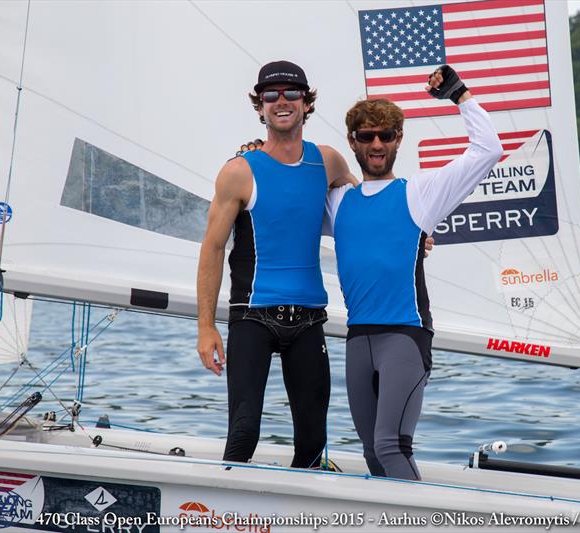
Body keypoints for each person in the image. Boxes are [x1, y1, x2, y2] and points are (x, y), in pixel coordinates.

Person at [324, 66, 503, 480]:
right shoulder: (337, 203)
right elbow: (285, 195)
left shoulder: (420, 193)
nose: (377, 143)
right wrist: (257, 153)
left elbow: (488, 150)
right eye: (367, 135)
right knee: (371, 453)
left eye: (386, 135)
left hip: (404, 337)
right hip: (357, 340)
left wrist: (459, 95)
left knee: (390, 445)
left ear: (399, 139)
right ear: (352, 141)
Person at [196, 61, 358, 468]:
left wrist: (415, 237)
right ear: (260, 108)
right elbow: (213, 250)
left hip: (308, 319)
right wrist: (205, 327)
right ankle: (223, 511)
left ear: (306, 103)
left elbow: (368, 212)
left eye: (291, 93)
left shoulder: (329, 162)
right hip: (252, 316)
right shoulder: (238, 172)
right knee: (245, 431)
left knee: (313, 439)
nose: (281, 101)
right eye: (271, 95)